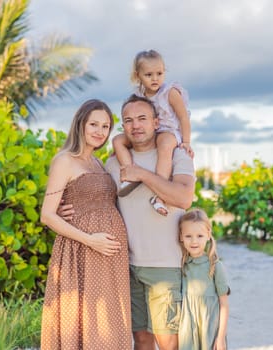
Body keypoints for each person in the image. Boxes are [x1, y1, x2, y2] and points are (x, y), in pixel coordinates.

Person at [40, 99, 132, 350]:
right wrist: (90, 239)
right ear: (80, 123)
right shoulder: (65, 160)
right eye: (93, 124)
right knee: (85, 319)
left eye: (105, 126)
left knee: (107, 320)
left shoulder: (99, 163)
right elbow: (47, 215)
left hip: (109, 256)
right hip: (80, 252)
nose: (99, 131)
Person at [106, 94, 195, 350]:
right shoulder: (113, 163)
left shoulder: (177, 155)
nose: (136, 125)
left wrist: (141, 174)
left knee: (168, 341)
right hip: (130, 265)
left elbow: (183, 198)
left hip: (166, 266)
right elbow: (98, 199)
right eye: (128, 121)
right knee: (141, 338)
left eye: (142, 118)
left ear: (156, 122)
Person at [112, 49, 194, 216]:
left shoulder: (169, 92)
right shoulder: (138, 95)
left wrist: (186, 141)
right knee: (117, 140)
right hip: (150, 132)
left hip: (168, 131)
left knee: (164, 146)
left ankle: (160, 194)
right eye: (149, 74)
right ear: (138, 75)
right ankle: (129, 173)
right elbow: (132, 115)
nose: (155, 78)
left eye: (159, 73)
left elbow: (184, 117)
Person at [178, 208, 230, 350]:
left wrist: (220, 338)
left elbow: (224, 304)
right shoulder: (182, 264)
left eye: (199, 236)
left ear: (208, 235)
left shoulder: (215, 266)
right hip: (188, 331)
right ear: (181, 236)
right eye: (188, 236)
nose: (194, 241)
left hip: (210, 330)